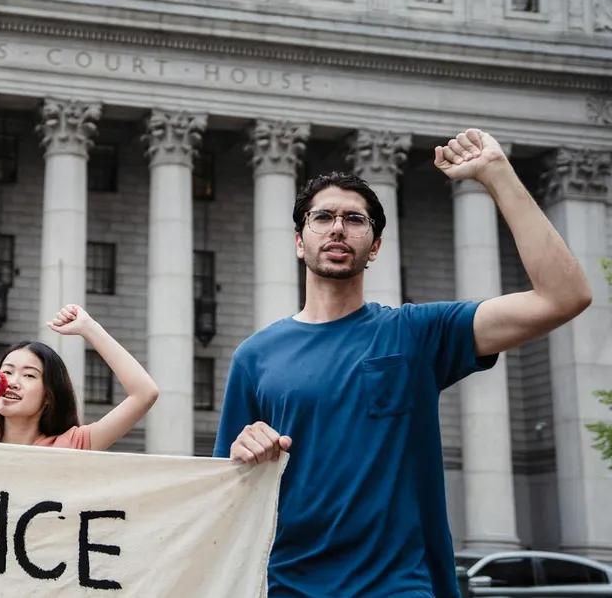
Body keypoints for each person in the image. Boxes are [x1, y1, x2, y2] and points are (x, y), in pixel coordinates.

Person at [213, 129, 592, 598]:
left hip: (397, 586)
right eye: (323, 217)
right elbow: (226, 492)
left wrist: (496, 173)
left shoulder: (417, 333)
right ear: (299, 241)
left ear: (374, 247)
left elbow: (564, 297)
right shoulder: (255, 356)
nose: (337, 228)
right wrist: (242, 452)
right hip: (286, 586)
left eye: (355, 219)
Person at [0, 303, 159, 450]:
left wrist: (88, 328)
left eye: (29, 375)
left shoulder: (71, 446)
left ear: (48, 395)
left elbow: (145, 393)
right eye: (6, 372)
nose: (12, 382)